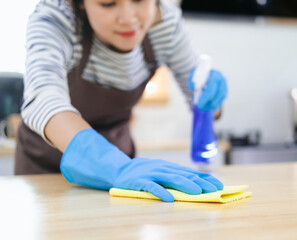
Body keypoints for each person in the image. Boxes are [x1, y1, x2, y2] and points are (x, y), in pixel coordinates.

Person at [15, 0, 228, 202]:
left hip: (121, 172)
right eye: (108, 3)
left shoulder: (166, 25)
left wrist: (210, 100)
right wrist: (110, 164)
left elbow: (200, 100)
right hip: (45, 169)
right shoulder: (56, 17)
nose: (127, 18)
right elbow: (42, 97)